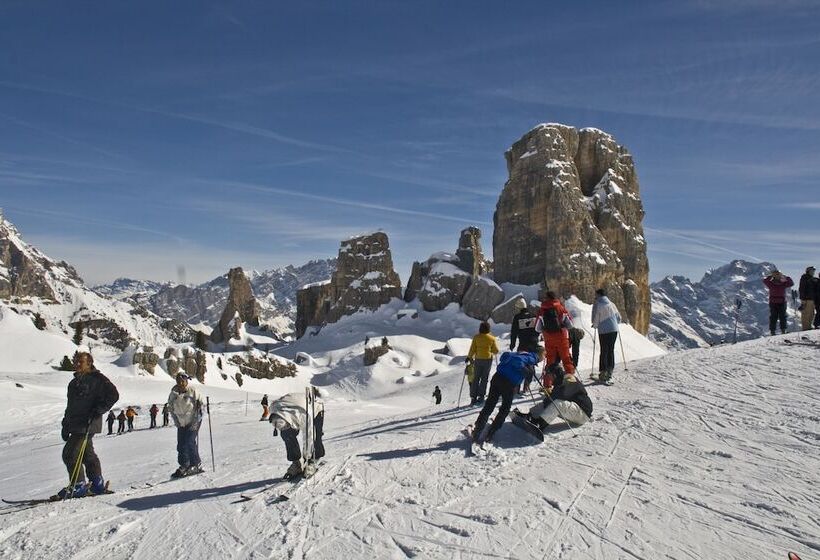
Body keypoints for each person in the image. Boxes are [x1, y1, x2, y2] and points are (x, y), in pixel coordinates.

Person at [56, 346, 119, 499]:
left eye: (81, 361)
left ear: (89, 363)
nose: (77, 364)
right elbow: (70, 406)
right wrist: (65, 425)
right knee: (87, 454)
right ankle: (97, 483)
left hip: (88, 423)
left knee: (70, 454)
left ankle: (79, 485)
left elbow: (113, 395)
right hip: (75, 424)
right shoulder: (73, 383)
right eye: (76, 361)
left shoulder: (98, 379)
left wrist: (98, 410)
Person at [471, 347, 544, 444]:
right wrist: (525, 370)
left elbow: (505, 356)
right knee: (505, 408)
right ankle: (491, 432)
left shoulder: (521, 353)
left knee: (490, 404)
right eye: (544, 354)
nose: (545, 357)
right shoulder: (532, 357)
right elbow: (518, 362)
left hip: (497, 377)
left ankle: (478, 428)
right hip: (508, 383)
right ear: (539, 354)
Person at [269, 388, 325, 479]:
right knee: (287, 435)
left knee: (315, 436)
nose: (285, 429)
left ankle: (313, 461)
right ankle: (296, 463)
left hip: (315, 409)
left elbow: (308, 436)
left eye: (286, 426)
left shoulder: (302, 414)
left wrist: (307, 455)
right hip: (290, 408)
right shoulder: (274, 409)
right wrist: (285, 429)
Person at [523, 365, 592, 431]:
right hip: (574, 410)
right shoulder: (559, 381)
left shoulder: (569, 379)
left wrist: (549, 397)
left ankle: (539, 424)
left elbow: (559, 396)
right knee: (549, 403)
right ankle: (529, 416)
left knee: (557, 404)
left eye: (549, 375)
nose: (549, 378)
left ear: (554, 374)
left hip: (583, 413)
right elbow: (551, 400)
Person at [167, 373, 206, 478]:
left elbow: (201, 406)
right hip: (181, 423)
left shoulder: (193, 391)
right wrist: (176, 422)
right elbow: (171, 408)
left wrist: (197, 420)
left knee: (189, 441)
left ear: (186, 381)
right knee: (181, 445)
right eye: (178, 381)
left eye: (183, 381)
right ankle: (184, 465)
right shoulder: (173, 393)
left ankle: (196, 464)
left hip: (193, 420)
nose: (180, 383)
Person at [535, 292, 576, 376]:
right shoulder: (561, 308)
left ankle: (548, 385)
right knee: (566, 358)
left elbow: (537, 328)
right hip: (562, 337)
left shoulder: (541, 310)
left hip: (549, 338)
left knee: (550, 360)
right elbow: (570, 325)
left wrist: (545, 330)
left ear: (546, 298)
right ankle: (570, 380)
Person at [591, 288, 622, 383]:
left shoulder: (597, 304)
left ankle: (603, 372)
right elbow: (619, 318)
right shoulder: (612, 304)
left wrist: (595, 325)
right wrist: (614, 324)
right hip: (614, 330)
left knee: (604, 350)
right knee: (610, 350)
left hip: (604, 331)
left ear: (598, 295)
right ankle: (610, 371)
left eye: (596, 294)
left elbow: (595, 318)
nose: (595, 296)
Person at [510, 299, 539, 393]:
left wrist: (512, 344)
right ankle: (527, 385)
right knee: (531, 365)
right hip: (533, 344)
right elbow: (538, 329)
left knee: (520, 365)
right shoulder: (533, 315)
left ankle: (517, 386)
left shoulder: (517, 317)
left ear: (518, 307)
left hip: (523, 345)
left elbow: (514, 332)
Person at [467, 322, 500, 405]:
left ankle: (473, 397)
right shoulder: (492, 338)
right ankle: (481, 396)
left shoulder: (476, 337)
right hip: (488, 360)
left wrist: (469, 357)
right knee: (484, 378)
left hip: (478, 359)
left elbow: (472, 349)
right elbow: (495, 350)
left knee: (476, 378)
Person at [763, 270, 794, 335]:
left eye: (778, 274)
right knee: (774, 317)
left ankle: (783, 330)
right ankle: (773, 331)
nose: (777, 276)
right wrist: (771, 276)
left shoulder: (783, 283)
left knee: (782, 317)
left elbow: (791, 283)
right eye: (776, 275)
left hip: (780, 302)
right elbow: (765, 281)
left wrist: (784, 277)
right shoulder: (771, 283)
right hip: (775, 302)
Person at [798, 266, 816, 331]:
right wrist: (803, 299)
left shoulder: (812, 278)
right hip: (806, 299)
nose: (813, 272)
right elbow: (802, 289)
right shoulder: (804, 278)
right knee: (806, 313)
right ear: (808, 271)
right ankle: (805, 328)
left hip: (812, 299)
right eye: (812, 271)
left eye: (814, 271)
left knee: (811, 313)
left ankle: (808, 327)